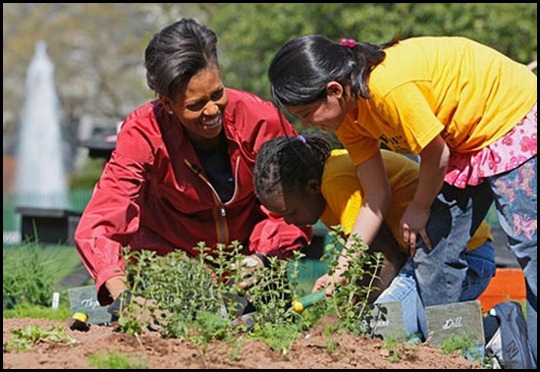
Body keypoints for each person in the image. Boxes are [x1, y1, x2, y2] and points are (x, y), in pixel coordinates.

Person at [267, 35, 536, 366]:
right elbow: (375, 199)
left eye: (307, 112)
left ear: (335, 90)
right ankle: (455, 358)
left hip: (512, 117)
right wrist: (340, 271)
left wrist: (420, 207)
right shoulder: (350, 120)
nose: (306, 125)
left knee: (531, 251)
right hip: (463, 145)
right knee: (434, 255)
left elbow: (436, 153)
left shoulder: (386, 89)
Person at [74, 18, 312, 311]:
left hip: (251, 269)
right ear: (168, 103)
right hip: (172, 270)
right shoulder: (142, 132)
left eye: (217, 94)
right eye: (195, 105)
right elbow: (102, 222)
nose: (212, 111)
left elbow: (296, 202)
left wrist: (261, 257)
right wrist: (124, 300)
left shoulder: (260, 120)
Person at [253, 132, 495, 343]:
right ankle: (490, 334)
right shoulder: (326, 185)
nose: (288, 221)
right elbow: (369, 260)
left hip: (464, 257)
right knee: (398, 324)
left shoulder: (335, 182)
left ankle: (498, 332)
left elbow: (385, 261)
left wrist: (341, 316)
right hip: (429, 261)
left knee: (379, 328)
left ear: (312, 186)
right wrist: (342, 284)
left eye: (290, 212)